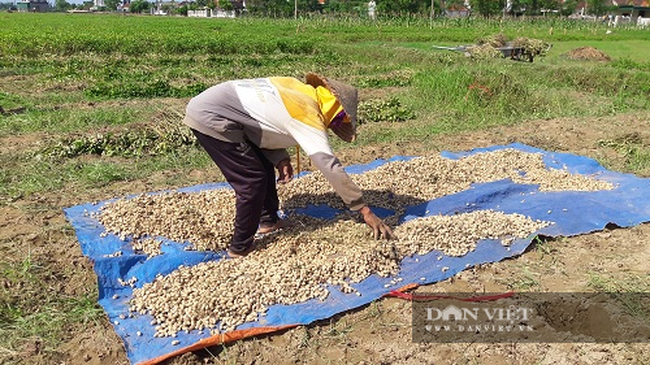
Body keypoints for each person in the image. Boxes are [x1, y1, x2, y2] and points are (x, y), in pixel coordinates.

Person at [183, 73, 396, 258]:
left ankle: (269, 222)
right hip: (212, 116)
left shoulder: (296, 89)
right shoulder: (307, 113)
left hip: (222, 109)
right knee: (252, 181)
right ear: (336, 110)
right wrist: (363, 209)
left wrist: (280, 158)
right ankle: (239, 248)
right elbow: (328, 164)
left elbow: (263, 120)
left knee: (262, 168)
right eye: (340, 119)